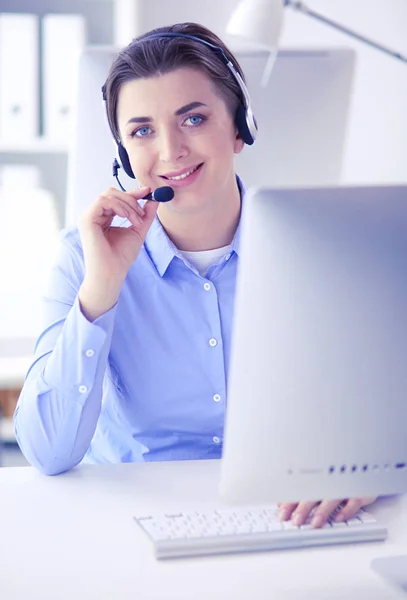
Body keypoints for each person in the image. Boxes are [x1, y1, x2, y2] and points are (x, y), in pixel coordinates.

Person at [14, 21, 375, 527]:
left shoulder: (322, 249)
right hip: (130, 524)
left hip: (283, 516)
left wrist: (365, 464)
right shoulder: (83, 257)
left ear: (240, 127)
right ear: (122, 153)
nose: (170, 151)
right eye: (141, 130)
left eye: (193, 119)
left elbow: (378, 402)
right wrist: (102, 289)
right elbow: (48, 452)